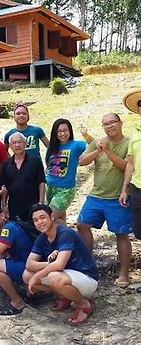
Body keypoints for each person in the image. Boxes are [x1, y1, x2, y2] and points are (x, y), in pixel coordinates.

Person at [78, 113, 131, 288]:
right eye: (105, 124)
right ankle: (87, 264)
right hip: (96, 196)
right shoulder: (98, 142)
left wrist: (107, 151)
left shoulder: (128, 144)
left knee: (121, 234)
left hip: (117, 197)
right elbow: (82, 162)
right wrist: (98, 150)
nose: (109, 126)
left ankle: (124, 273)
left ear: (120, 123)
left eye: (112, 122)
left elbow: (125, 166)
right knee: (82, 224)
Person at [23, 204, 99, 326]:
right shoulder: (42, 238)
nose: (40, 222)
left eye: (43, 217)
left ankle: (84, 304)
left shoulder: (65, 233)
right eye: (35, 220)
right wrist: (48, 264)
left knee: (53, 276)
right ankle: (65, 296)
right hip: (67, 276)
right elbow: (29, 264)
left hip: (86, 278)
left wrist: (37, 276)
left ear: (52, 217)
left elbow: (59, 264)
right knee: (27, 275)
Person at [45, 119, 87, 224]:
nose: (63, 134)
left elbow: (94, 144)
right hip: (48, 187)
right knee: (59, 220)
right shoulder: (52, 147)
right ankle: (65, 239)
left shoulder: (76, 145)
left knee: (48, 219)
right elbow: (48, 166)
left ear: (70, 131)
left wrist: (86, 135)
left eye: (65, 130)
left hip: (65, 190)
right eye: (59, 131)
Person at [0, 132, 46, 222]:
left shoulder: (35, 162)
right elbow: (4, 188)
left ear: (25, 144)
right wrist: (4, 205)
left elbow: (41, 182)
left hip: (33, 205)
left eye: (20, 142)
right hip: (14, 206)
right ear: (10, 146)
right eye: (14, 143)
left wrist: (41, 203)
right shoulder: (6, 164)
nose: (17, 145)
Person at [121, 89, 141, 243]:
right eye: (140, 104)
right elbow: (130, 163)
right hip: (137, 189)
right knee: (139, 231)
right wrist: (124, 190)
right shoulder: (134, 133)